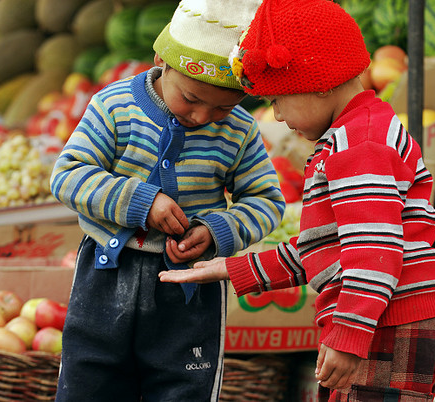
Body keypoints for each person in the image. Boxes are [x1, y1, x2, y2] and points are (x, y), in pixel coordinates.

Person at [159, 0, 435, 400]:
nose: (278, 116)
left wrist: (348, 335)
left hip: (387, 324)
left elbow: (373, 251)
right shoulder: (357, 133)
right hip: (379, 317)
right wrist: (234, 269)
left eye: (278, 99)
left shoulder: (358, 145)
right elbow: (329, 247)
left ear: (319, 83)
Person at [49, 0, 285, 400]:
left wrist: (216, 230)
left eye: (224, 106)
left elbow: (266, 200)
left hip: (191, 287)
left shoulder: (240, 130)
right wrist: (141, 201)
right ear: (163, 61)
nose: (203, 116)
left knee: (184, 386)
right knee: (90, 380)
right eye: (191, 99)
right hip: (108, 273)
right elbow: (69, 175)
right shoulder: (114, 106)